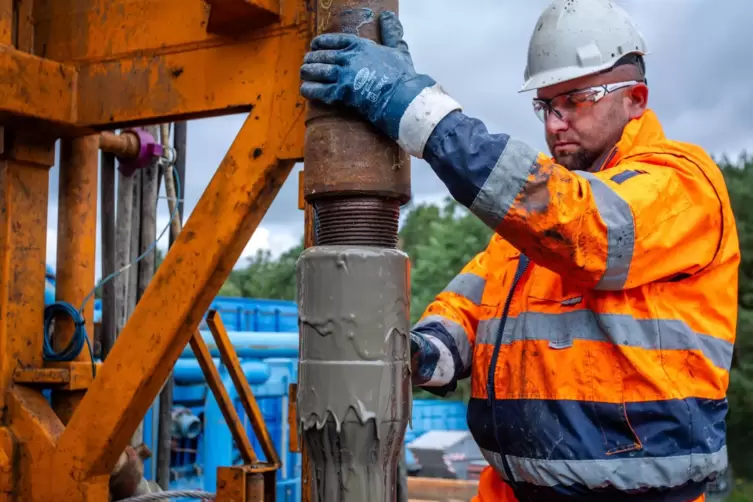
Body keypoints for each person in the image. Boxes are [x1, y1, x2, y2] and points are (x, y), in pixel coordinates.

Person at [299, 0, 740, 500]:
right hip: (512, 489)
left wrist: (415, 108)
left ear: (636, 99)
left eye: (576, 99)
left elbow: (582, 228)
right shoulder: (532, 228)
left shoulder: (682, 184)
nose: (555, 123)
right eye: (546, 105)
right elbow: (470, 308)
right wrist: (421, 351)